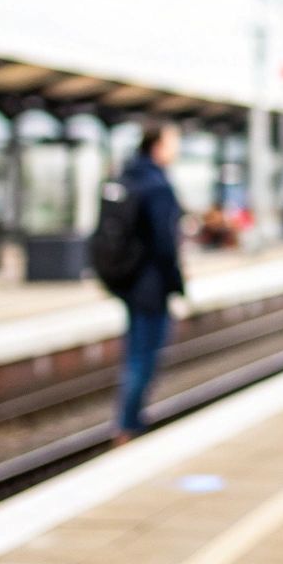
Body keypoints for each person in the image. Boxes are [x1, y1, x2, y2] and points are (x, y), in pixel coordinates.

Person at [112, 119, 186, 444]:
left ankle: (129, 420)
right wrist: (177, 284)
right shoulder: (157, 185)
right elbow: (164, 244)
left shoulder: (127, 176)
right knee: (144, 355)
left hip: (128, 280)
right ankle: (130, 424)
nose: (177, 148)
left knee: (135, 352)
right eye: (174, 142)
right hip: (151, 283)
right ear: (158, 145)